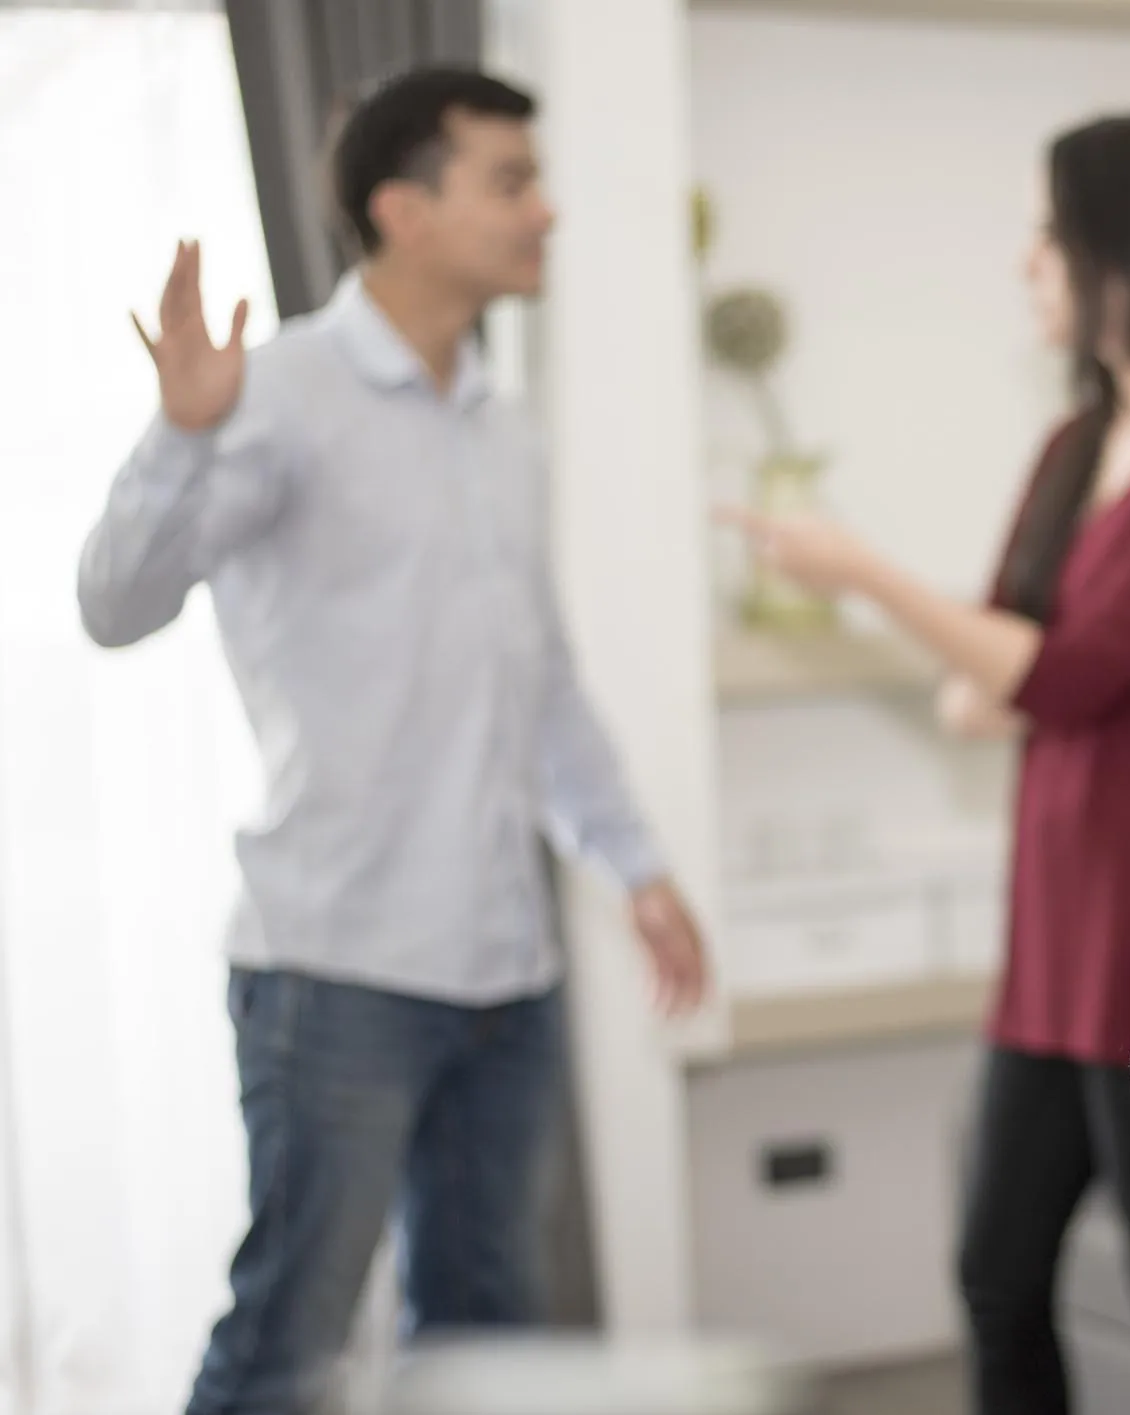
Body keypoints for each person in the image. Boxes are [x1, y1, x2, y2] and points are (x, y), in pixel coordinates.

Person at [76, 67, 708, 1415]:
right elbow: (113, 605)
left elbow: (540, 683)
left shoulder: (500, 424)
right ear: (401, 210)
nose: (545, 211)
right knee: (283, 1342)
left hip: (506, 973)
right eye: (510, 182)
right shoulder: (281, 390)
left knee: (488, 1344)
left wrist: (637, 867)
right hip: (335, 969)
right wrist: (181, 436)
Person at [720, 114, 1130, 1415]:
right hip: (1053, 941)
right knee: (994, 1271)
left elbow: (1038, 673)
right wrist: (1069, 663)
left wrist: (867, 572)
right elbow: (977, 692)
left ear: (1121, 248)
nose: (1025, 263)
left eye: (1046, 234)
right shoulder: (1069, 447)